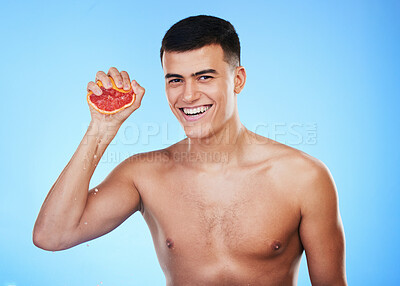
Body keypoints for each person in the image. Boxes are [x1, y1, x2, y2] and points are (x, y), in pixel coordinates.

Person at [33, 15, 347, 285]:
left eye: (204, 77)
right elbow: (53, 236)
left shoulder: (304, 177)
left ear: (237, 80)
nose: (188, 95)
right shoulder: (144, 174)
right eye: (175, 80)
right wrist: (101, 130)